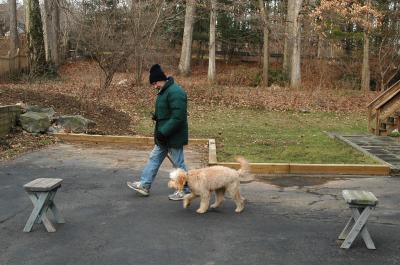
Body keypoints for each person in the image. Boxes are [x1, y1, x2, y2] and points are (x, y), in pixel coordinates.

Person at [127, 64, 189, 201]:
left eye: (155, 83)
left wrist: (164, 130)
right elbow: (168, 111)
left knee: (179, 164)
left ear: (161, 79)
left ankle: (186, 190)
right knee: (154, 158)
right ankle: (144, 185)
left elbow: (178, 117)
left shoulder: (176, 92)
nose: (154, 86)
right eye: (153, 84)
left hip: (173, 137)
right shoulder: (165, 91)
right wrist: (158, 116)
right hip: (164, 137)